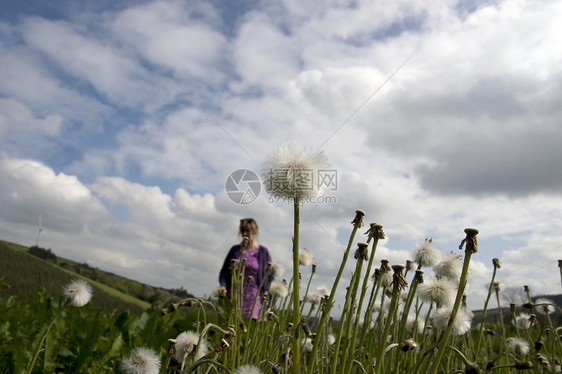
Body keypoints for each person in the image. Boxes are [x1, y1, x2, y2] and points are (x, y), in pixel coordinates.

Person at [219, 218, 272, 319]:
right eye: (243, 231)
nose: (244, 234)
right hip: (234, 295)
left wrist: (267, 297)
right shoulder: (235, 250)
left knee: (251, 327)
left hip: (255, 298)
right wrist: (223, 286)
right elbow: (224, 271)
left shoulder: (263, 252)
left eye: (247, 231)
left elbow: (269, 276)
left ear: (254, 232)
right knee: (232, 324)